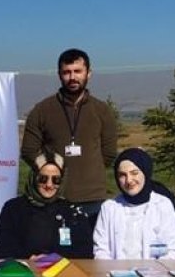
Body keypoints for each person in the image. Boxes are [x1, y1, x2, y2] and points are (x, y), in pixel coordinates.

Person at [20, 48, 118, 221]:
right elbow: (29, 151)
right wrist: (52, 166)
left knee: (91, 248)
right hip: (53, 198)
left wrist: (90, 170)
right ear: (59, 75)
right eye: (67, 72)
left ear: (89, 73)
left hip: (93, 199)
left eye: (78, 71)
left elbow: (109, 154)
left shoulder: (102, 111)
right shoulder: (42, 110)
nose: (72, 77)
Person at [0, 152, 94, 259]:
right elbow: (4, 247)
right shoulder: (13, 209)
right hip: (25, 271)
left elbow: (85, 251)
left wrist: (56, 260)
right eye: (43, 178)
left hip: (63, 272)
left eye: (56, 180)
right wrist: (28, 257)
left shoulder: (73, 212)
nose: (49, 185)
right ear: (34, 177)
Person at [93, 148, 175, 260]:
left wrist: (154, 274)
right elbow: (101, 251)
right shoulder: (109, 208)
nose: (129, 180)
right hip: (116, 274)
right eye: (122, 175)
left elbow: (172, 250)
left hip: (155, 274)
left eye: (134, 173)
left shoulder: (162, 205)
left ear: (145, 172)